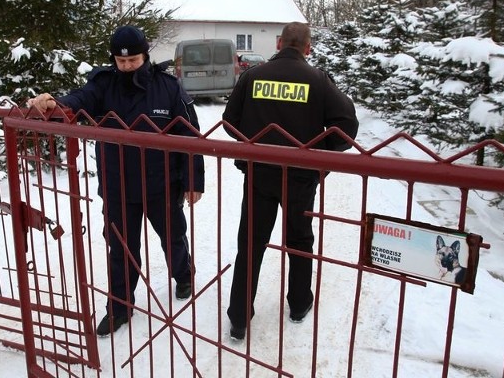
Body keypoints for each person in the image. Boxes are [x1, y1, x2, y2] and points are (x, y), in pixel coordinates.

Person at [28, 25, 205, 337]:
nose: (126, 66)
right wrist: (55, 103)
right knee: (121, 248)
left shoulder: (169, 87)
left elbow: (190, 134)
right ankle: (120, 306)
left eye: (133, 61)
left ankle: (184, 274)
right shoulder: (103, 85)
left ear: (145, 56)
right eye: (121, 61)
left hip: (162, 183)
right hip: (118, 185)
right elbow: (79, 99)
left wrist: (193, 180)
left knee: (173, 236)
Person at [223, 21, 358, 341]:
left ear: (279, 42)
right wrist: (318, 155)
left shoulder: (252, 76)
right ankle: (299, 304)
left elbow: (230, 122)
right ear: (307, 48)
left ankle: (239, 317)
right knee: (299, 241)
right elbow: (346, 127)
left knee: (251, 244)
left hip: (259, 173)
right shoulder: (318, 80)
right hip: (300, 177)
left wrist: (252, 142)